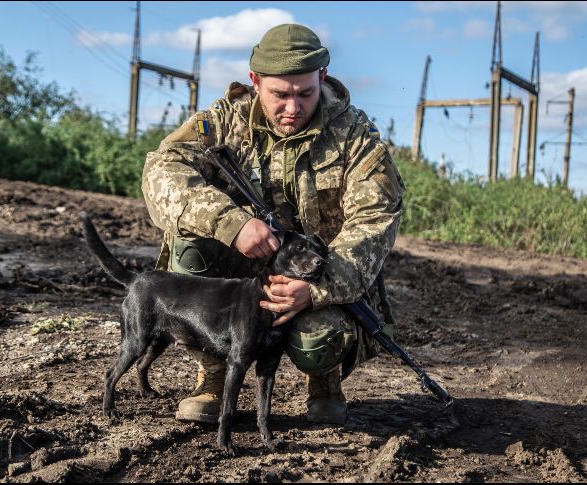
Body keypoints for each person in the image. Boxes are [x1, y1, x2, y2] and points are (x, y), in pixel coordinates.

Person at [141, 24, 404, 425]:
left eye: (305, 93)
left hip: (318, 274)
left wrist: (318, 286)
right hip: (236, 281)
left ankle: (324, 379)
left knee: (319, 342)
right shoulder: (223, 122)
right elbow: (162, 170)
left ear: (323, 78)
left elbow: (374, 220)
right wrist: (231, 224)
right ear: (255, 82)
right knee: (189, 245)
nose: (293, 108)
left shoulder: (355, 137)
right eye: (280, 95)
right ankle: (213, 376)